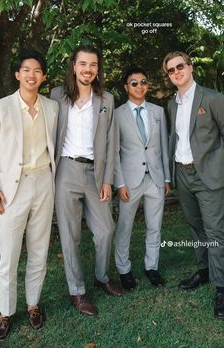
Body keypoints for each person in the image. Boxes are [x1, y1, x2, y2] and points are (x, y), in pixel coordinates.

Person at [0, 50, 58, 341]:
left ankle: (33, 304)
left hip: (44, 182)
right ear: (18, 74)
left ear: (43, 76)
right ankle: (6, 311)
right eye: (26, 70)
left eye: (37, 71)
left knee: (39, 250)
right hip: (11, 189)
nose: (32, 75)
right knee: (9, 254)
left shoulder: (52, 107)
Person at [50, 45, 123, 316]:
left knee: (105, 229)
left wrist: (107, 180)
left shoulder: (106, 100)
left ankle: (102, 276)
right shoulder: (57, 96)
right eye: (83, 64)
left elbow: (111, 142)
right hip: (66, 170)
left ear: (97, 69)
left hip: (96, 172)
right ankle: (77, 291)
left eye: (93, 65)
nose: (88, 70)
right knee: (70, 234)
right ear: (73, 66)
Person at [163, 51, 224, 320]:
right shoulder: (171, 104)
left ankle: (222, 288)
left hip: (208, 175)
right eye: (171, 70)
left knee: (215, 231)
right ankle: (204, 270)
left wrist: (217, 165)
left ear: (190, 67)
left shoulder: (212, 98)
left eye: (180, 66)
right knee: (195, 225)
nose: (176, 72)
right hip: (183, 175)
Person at [114, 67, 170, 290]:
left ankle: (152, 267)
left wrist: (166, 178)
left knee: (154, 226)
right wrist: (119, 182)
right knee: (124, 227)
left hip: (155, 179)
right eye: (134, 82)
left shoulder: (157, 112)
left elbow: (164, 147)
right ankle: (123, 269)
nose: (140, 86)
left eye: (143, 81)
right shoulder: (117, 114)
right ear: (126, 87)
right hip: (129, 181)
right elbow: (114, 152)